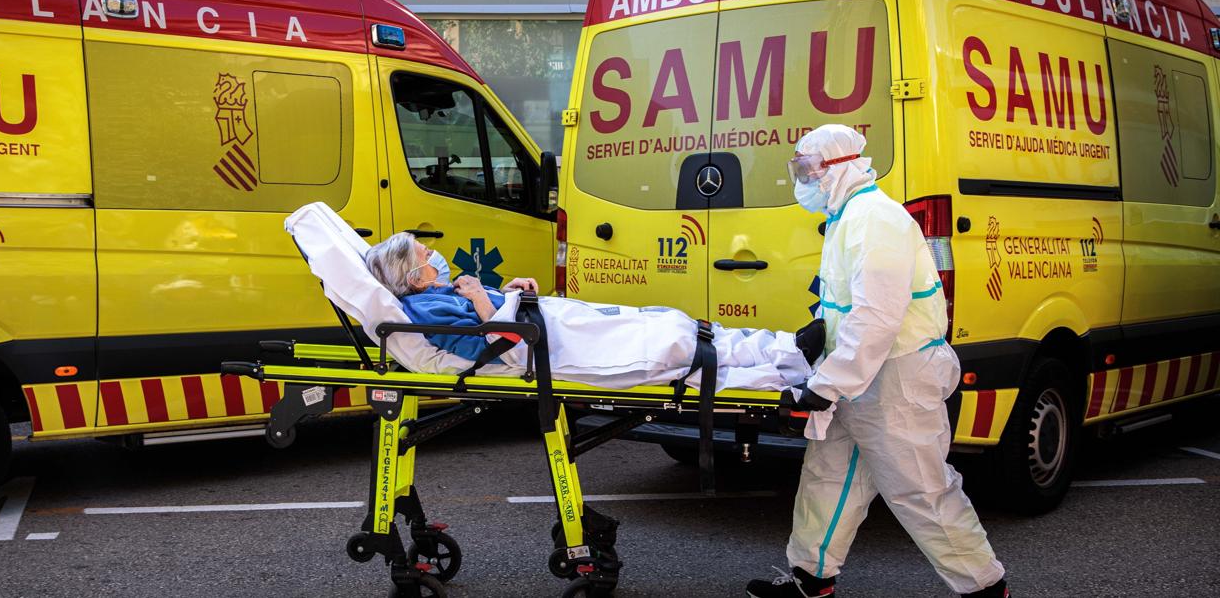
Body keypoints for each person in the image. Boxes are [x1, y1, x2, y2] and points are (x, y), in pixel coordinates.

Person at [746, 125, 1008, 598]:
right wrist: (819, 332)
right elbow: (851, 305)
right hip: (857, 376)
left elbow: (877, 317)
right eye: (798, 168)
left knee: (922, 491)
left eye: (807, 168)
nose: (801, 178)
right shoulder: (847, 217)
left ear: (838, 166)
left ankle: (986, 589)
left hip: (895, 379)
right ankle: (810, 579)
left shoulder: (875, 220)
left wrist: (827, 384)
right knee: (827, 477)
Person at [363, 232, 827, 392]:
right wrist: (485, 300)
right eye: (426, 255)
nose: (435, 257)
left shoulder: (440, 293)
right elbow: (488, 345)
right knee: (670, 352)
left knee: (670, 323)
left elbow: (496, 316)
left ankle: (785, 346)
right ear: (415, 275)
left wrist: (509, 292)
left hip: (544, 323)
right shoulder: (424, 310)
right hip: (541, 348)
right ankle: (787, 374)